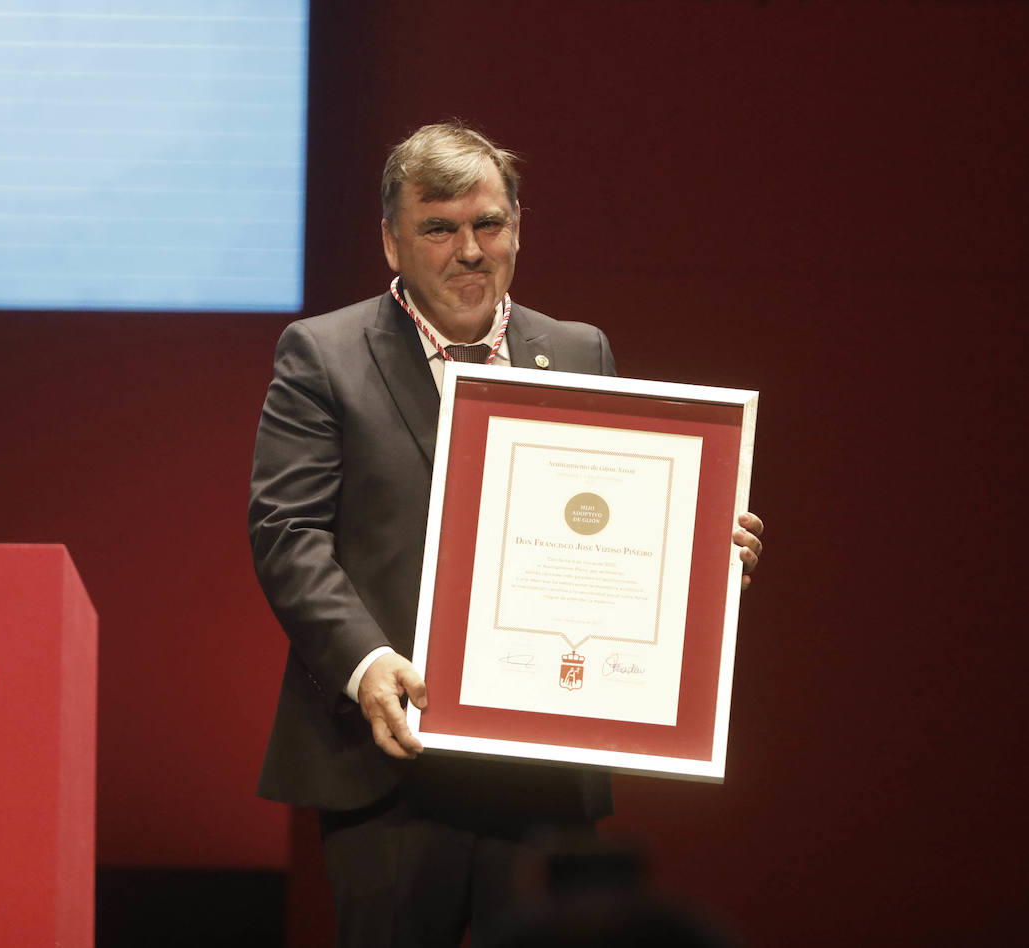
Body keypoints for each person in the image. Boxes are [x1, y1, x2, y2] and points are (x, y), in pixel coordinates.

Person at [248, 121, 764, 947]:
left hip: (541, 769)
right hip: (387, 761)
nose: (469, 250)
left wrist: (696, 561)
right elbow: (286, 530)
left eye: (488, 224)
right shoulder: (324, 354)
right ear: (391, 241)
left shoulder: (576, 349)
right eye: (438, 228)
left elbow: (608, 522)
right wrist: (366, 663)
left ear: (517, 225)